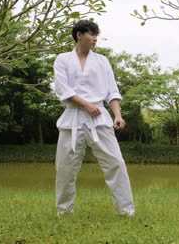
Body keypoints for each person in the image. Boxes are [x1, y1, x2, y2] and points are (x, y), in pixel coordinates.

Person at [53, 20, 135, 216]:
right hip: (72, 119)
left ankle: (126, 211)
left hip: (100, 118)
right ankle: (64, 212)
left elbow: (111, 91)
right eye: (91, 34)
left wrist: (117, 114)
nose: (95, 38)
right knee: (65, 168)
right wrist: (85, 104)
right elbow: (62, 89)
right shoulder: (62, 59)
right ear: (79, 35)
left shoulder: (102, 61)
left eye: (97, 34)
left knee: (116, 163)